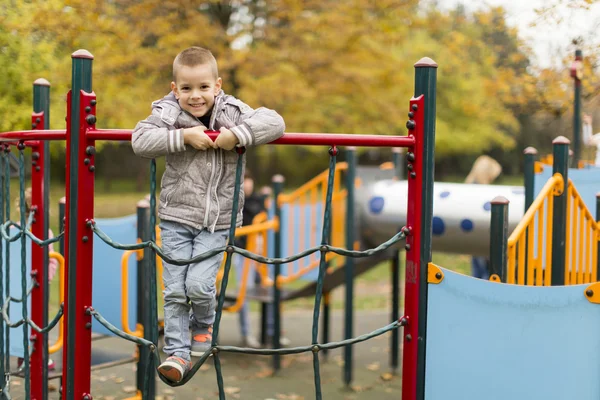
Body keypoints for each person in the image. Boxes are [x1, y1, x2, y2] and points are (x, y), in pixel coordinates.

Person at [131, 46, 285, 383]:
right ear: (175, 89)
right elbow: (140, 140)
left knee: (198, 285)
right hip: (175, 217)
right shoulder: (167, 111)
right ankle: (177, 354)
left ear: (217, 85)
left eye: (203, 87)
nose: (195, 96)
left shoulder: (232, 110)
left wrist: (235, 135)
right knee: (174, 290)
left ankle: (203, 324)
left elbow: (275, 121)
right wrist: (183, 136)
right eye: (186, 88)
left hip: (217, 221)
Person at [16, 187, 59, 370]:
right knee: (40, 321)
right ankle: (41, 356)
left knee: (23, 319)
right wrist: (47, 279)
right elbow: (53, 261)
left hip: (19, 285)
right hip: (38, 284)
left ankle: (22, 355)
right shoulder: (45, 232)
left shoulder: (14, 229)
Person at [233, 170, 264, 349]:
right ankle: (247, 333)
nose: (247, 184)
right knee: (244, 292)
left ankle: (270, 330)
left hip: (260, 251)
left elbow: (265, 218)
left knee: (268, 289)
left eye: (249, 180)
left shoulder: (259, 200)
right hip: (243, 252)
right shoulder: (234, 201)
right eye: (243, 181)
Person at [465, 155, 502, 280]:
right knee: (486, 272)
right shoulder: (480, 190)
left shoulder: (469, 186)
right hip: (482, 235)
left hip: (472, 236)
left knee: (477, 271)